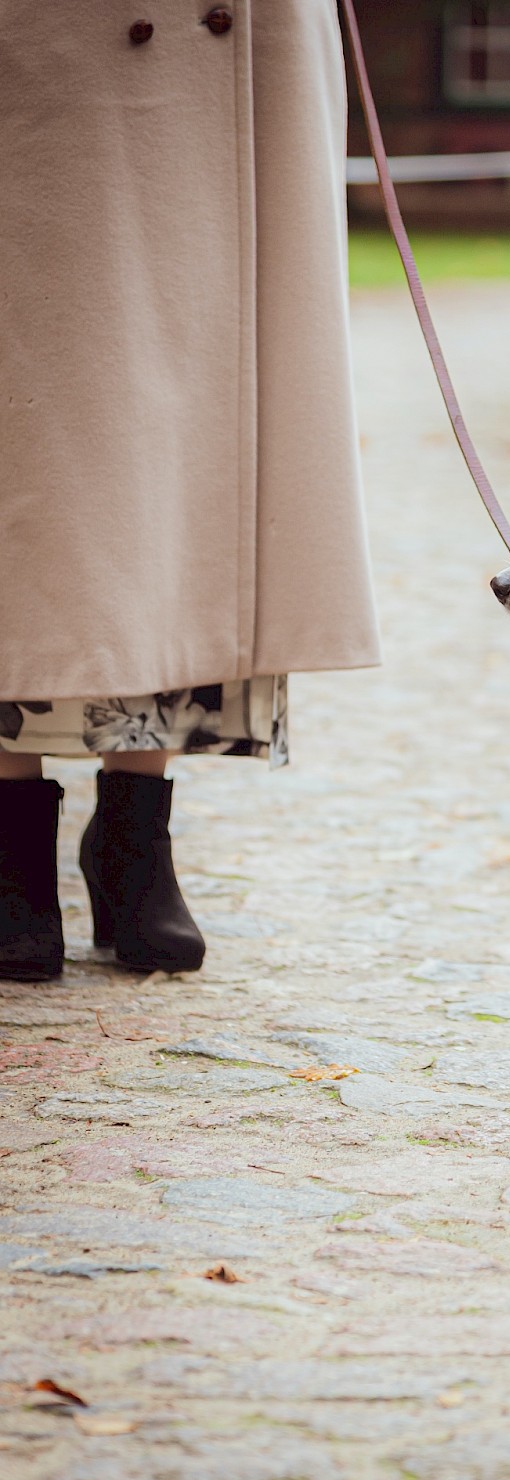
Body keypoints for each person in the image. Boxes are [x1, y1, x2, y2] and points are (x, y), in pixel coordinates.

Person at [0, 1, 380, 980]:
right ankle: (8, 846)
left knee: (188, 452)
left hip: (222, 62)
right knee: (35, 445)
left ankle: (134, 832)